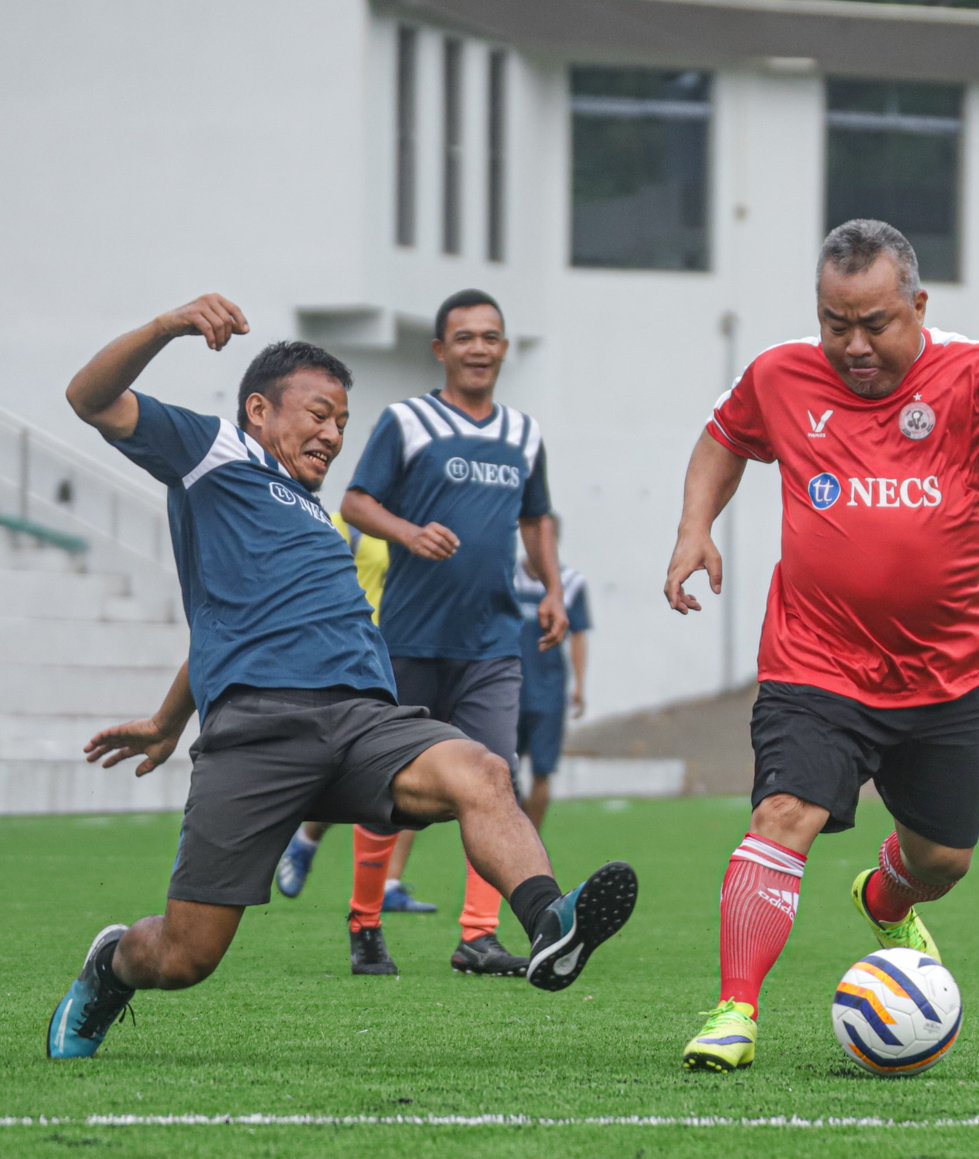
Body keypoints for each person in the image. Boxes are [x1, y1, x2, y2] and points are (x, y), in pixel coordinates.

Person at [46, 293, 637, 1060]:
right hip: (257, 733)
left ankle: (551, 926)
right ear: (258, 410)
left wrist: (165, 718)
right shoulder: (211, 453)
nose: (331, 434)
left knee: (482, 772)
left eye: (341, 424)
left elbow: (223, 626)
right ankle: (112, 965)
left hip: (365, 724)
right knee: (186, 957)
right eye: (318, 415)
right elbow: (87, 398)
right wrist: (168, 327)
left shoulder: (318, 519)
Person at [663, 219, 979, 1073]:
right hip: (816, 664)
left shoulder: (973, 374)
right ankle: (735, 1009)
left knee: (942, 860)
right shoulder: (780, 374)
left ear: (918, 304)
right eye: (836, 323)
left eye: (874, 323)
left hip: (947, 677)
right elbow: (724, 437)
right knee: (782, 816)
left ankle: (883, 896)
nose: (854, 344)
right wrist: (696, 529)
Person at [278, 287, 569, 979]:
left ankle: (478, 936)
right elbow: (353, 500)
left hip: (493, 643)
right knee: (388, 789)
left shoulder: (524, 435)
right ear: (440, 349)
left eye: (490, 336)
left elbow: (537, 519)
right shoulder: (407, 422)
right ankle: (366, 924)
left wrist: (553, 588)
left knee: (498, 783)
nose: (478, 348)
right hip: (409, 638)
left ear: (503, 348)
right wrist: (408, 532)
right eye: (463, 336)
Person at [274, 514, 437, 920]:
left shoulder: (420, 525)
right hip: (354, 660)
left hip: (406, 654)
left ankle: (390, 884)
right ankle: (307, 836)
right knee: (346, 767)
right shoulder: (345, 524)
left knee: (410, 765)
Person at [514, 516, 591, 829]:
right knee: (501, 769)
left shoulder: (570, 584)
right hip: (507, 689)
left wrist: (580, 685)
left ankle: (531, 841)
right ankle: (511, 835)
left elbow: (579, 635)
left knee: (542, 771)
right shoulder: (506, 576)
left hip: (548, 691)